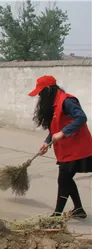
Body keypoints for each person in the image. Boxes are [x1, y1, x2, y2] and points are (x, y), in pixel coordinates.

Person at [29, 75, 92, 219]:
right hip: (66, 149)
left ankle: (57, 215)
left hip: (78, 147)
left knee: (63, 178)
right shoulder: (54, 103)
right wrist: (47, 142)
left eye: (40, 92)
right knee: (66, 178)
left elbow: (81, 117)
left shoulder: (67, 101)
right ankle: (79, 209)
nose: (39, 96)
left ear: (48, 90)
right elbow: (55, 127)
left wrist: (64, 132)